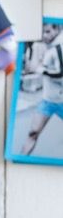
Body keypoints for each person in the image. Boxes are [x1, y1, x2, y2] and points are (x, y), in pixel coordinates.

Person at [20, 21, 63, 156]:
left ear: (56, 30)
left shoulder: (58, 48)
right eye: (42, 32)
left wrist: (41, 70)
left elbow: (60, 74)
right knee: (32, 133)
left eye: (48, 31)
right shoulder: (46, 47)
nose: (44, 35)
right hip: (47, 101)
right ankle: (21, 160)